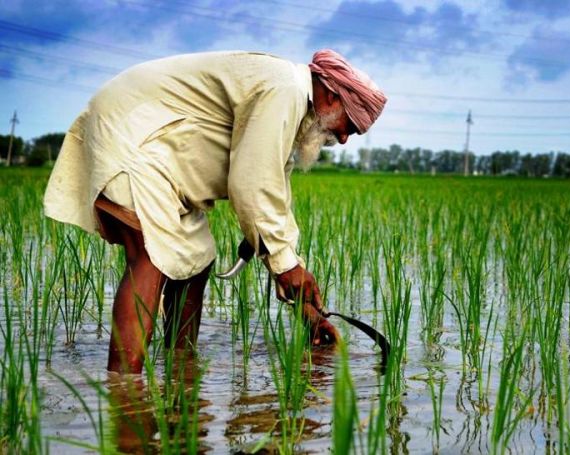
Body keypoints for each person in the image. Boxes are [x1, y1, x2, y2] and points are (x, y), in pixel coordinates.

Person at [43, 49, 387, 374]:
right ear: (330, 96)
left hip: (162, 161)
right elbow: (252, 183)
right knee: (150, 257)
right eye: (351, 126)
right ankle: (125, 389)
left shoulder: (287, 107)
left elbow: (273, 199)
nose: (343, 139)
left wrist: (307, 307)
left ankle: (180, 369)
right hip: (134, 137)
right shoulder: (284, 91)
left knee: (197, 259)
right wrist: (287, 267)